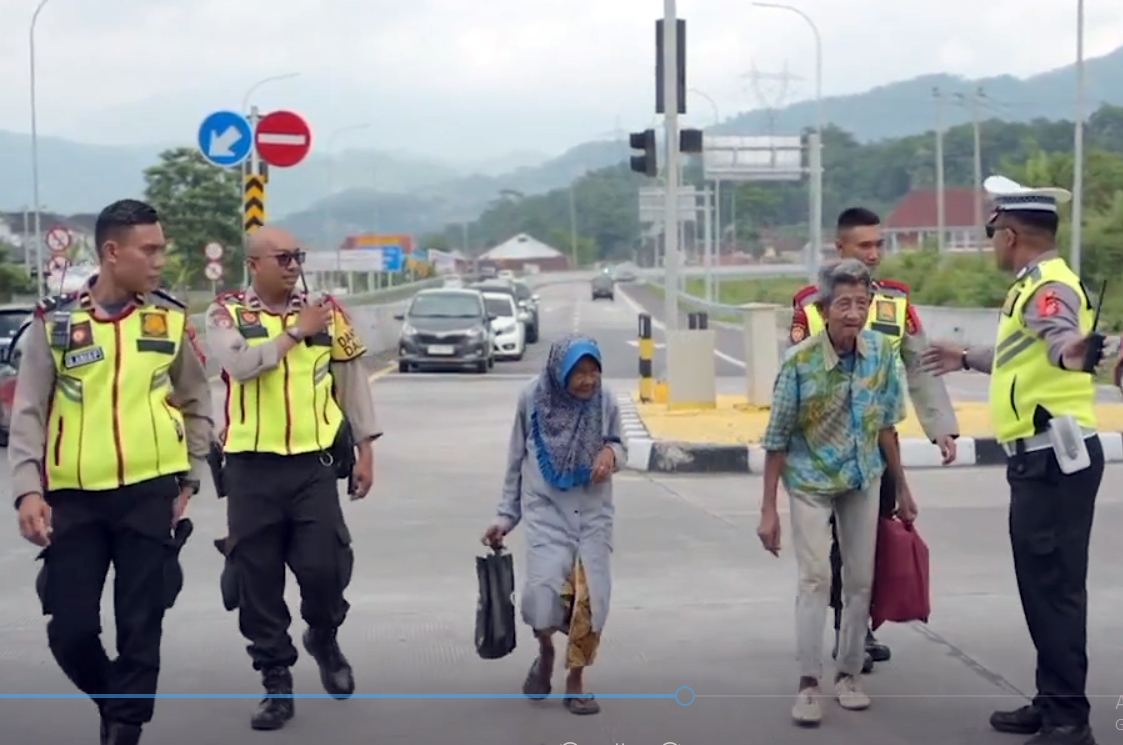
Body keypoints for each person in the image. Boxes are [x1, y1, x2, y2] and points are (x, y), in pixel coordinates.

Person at [9, 199, 214, 745]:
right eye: (149, 249)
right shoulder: (55, 323)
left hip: (150, 494)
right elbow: (28, 410)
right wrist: (28, 489)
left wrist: (190, 476)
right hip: (74, 498)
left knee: (141, 625)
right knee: (71, 630)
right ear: (111, 252)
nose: (160, 260)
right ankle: (115, 702)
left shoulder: (168, 319)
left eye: (161, 248)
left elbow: (197, 400)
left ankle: (125, 727)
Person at [922, 176, 1105, 745]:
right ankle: (1052, 701)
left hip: (1053, 460)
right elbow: (1023, 351)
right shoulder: (1036, 283)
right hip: (1045, 458)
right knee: (1043, 587)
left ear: (1009, 233)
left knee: (1053, 590)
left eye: (991, 232)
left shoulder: (1049, 288)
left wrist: (1075, 352)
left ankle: (1070, 720)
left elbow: (1060, 340)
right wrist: (967, 357)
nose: (990, 243)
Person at [204, 225, 381, 731]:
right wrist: (294, 332)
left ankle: (323, 635)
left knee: (324, 568)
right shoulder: (227, 312)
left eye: (297, 256)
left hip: (313, 466)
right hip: (250, 469)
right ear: (254, 264)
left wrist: (367, 448)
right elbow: (239, 365)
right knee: (258, 580)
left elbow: (351, 379)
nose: (292, 264)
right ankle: (276, 682)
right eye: (281, 257)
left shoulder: (328, 311)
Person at [787, 207, 958, 672]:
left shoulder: (895, 302)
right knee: (832, 553)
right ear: (839, 248)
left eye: (879, 245)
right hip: (822, 454)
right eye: (865, 246)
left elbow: (920, 368)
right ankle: (847, 633)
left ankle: (856, 630)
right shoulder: (811, 306)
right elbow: (793, 379)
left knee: (867, 547)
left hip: (874, 448)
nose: (875, 254)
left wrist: (941, 426)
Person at [758, 259, 917, 727]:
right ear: (824, 307)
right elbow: (777, 440)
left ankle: (848, 674)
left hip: (863, 478)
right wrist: (769, 509)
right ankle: (809, 682)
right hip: (809, 482)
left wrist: (902, 486)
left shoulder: (882, 355)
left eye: (862, 303)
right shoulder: (800, 363)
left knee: (860, 579)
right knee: (814, 580)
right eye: (844, 303)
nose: (854, 313)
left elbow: (887, 426)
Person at [481, 334, 626, 716]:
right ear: (559, 370)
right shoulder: (532, 399)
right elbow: (516, 460)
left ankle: (576, 679)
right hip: (546, 512)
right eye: (579, 373)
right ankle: (545, 651)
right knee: (543, 597)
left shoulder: (606, 401)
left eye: (594, 372)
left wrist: (611, 454)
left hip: (594, 515)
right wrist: (505, 516)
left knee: (591, 602)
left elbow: (619, 443)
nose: (588, 381)